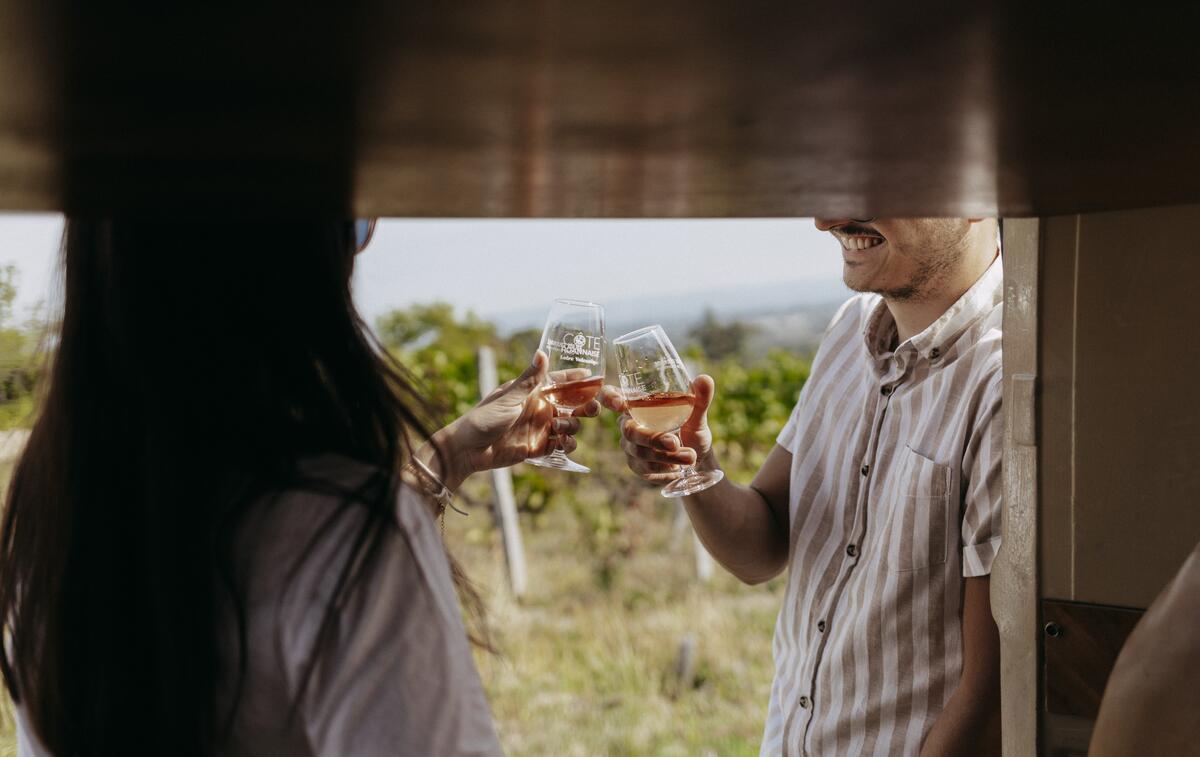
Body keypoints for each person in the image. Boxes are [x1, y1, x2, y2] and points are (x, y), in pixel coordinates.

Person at [0, 217, 599, 755]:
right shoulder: (347, 536)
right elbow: (307, 555)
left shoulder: (50, 518)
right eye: (353, 221)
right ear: (290, 260)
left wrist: (446, 457)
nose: (359, 246)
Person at [603, 217, 1004, 756]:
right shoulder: (848, 330)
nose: (825, 216)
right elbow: (760, 551)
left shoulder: (1003, 380)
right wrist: (693, 467)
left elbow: (992, 694)